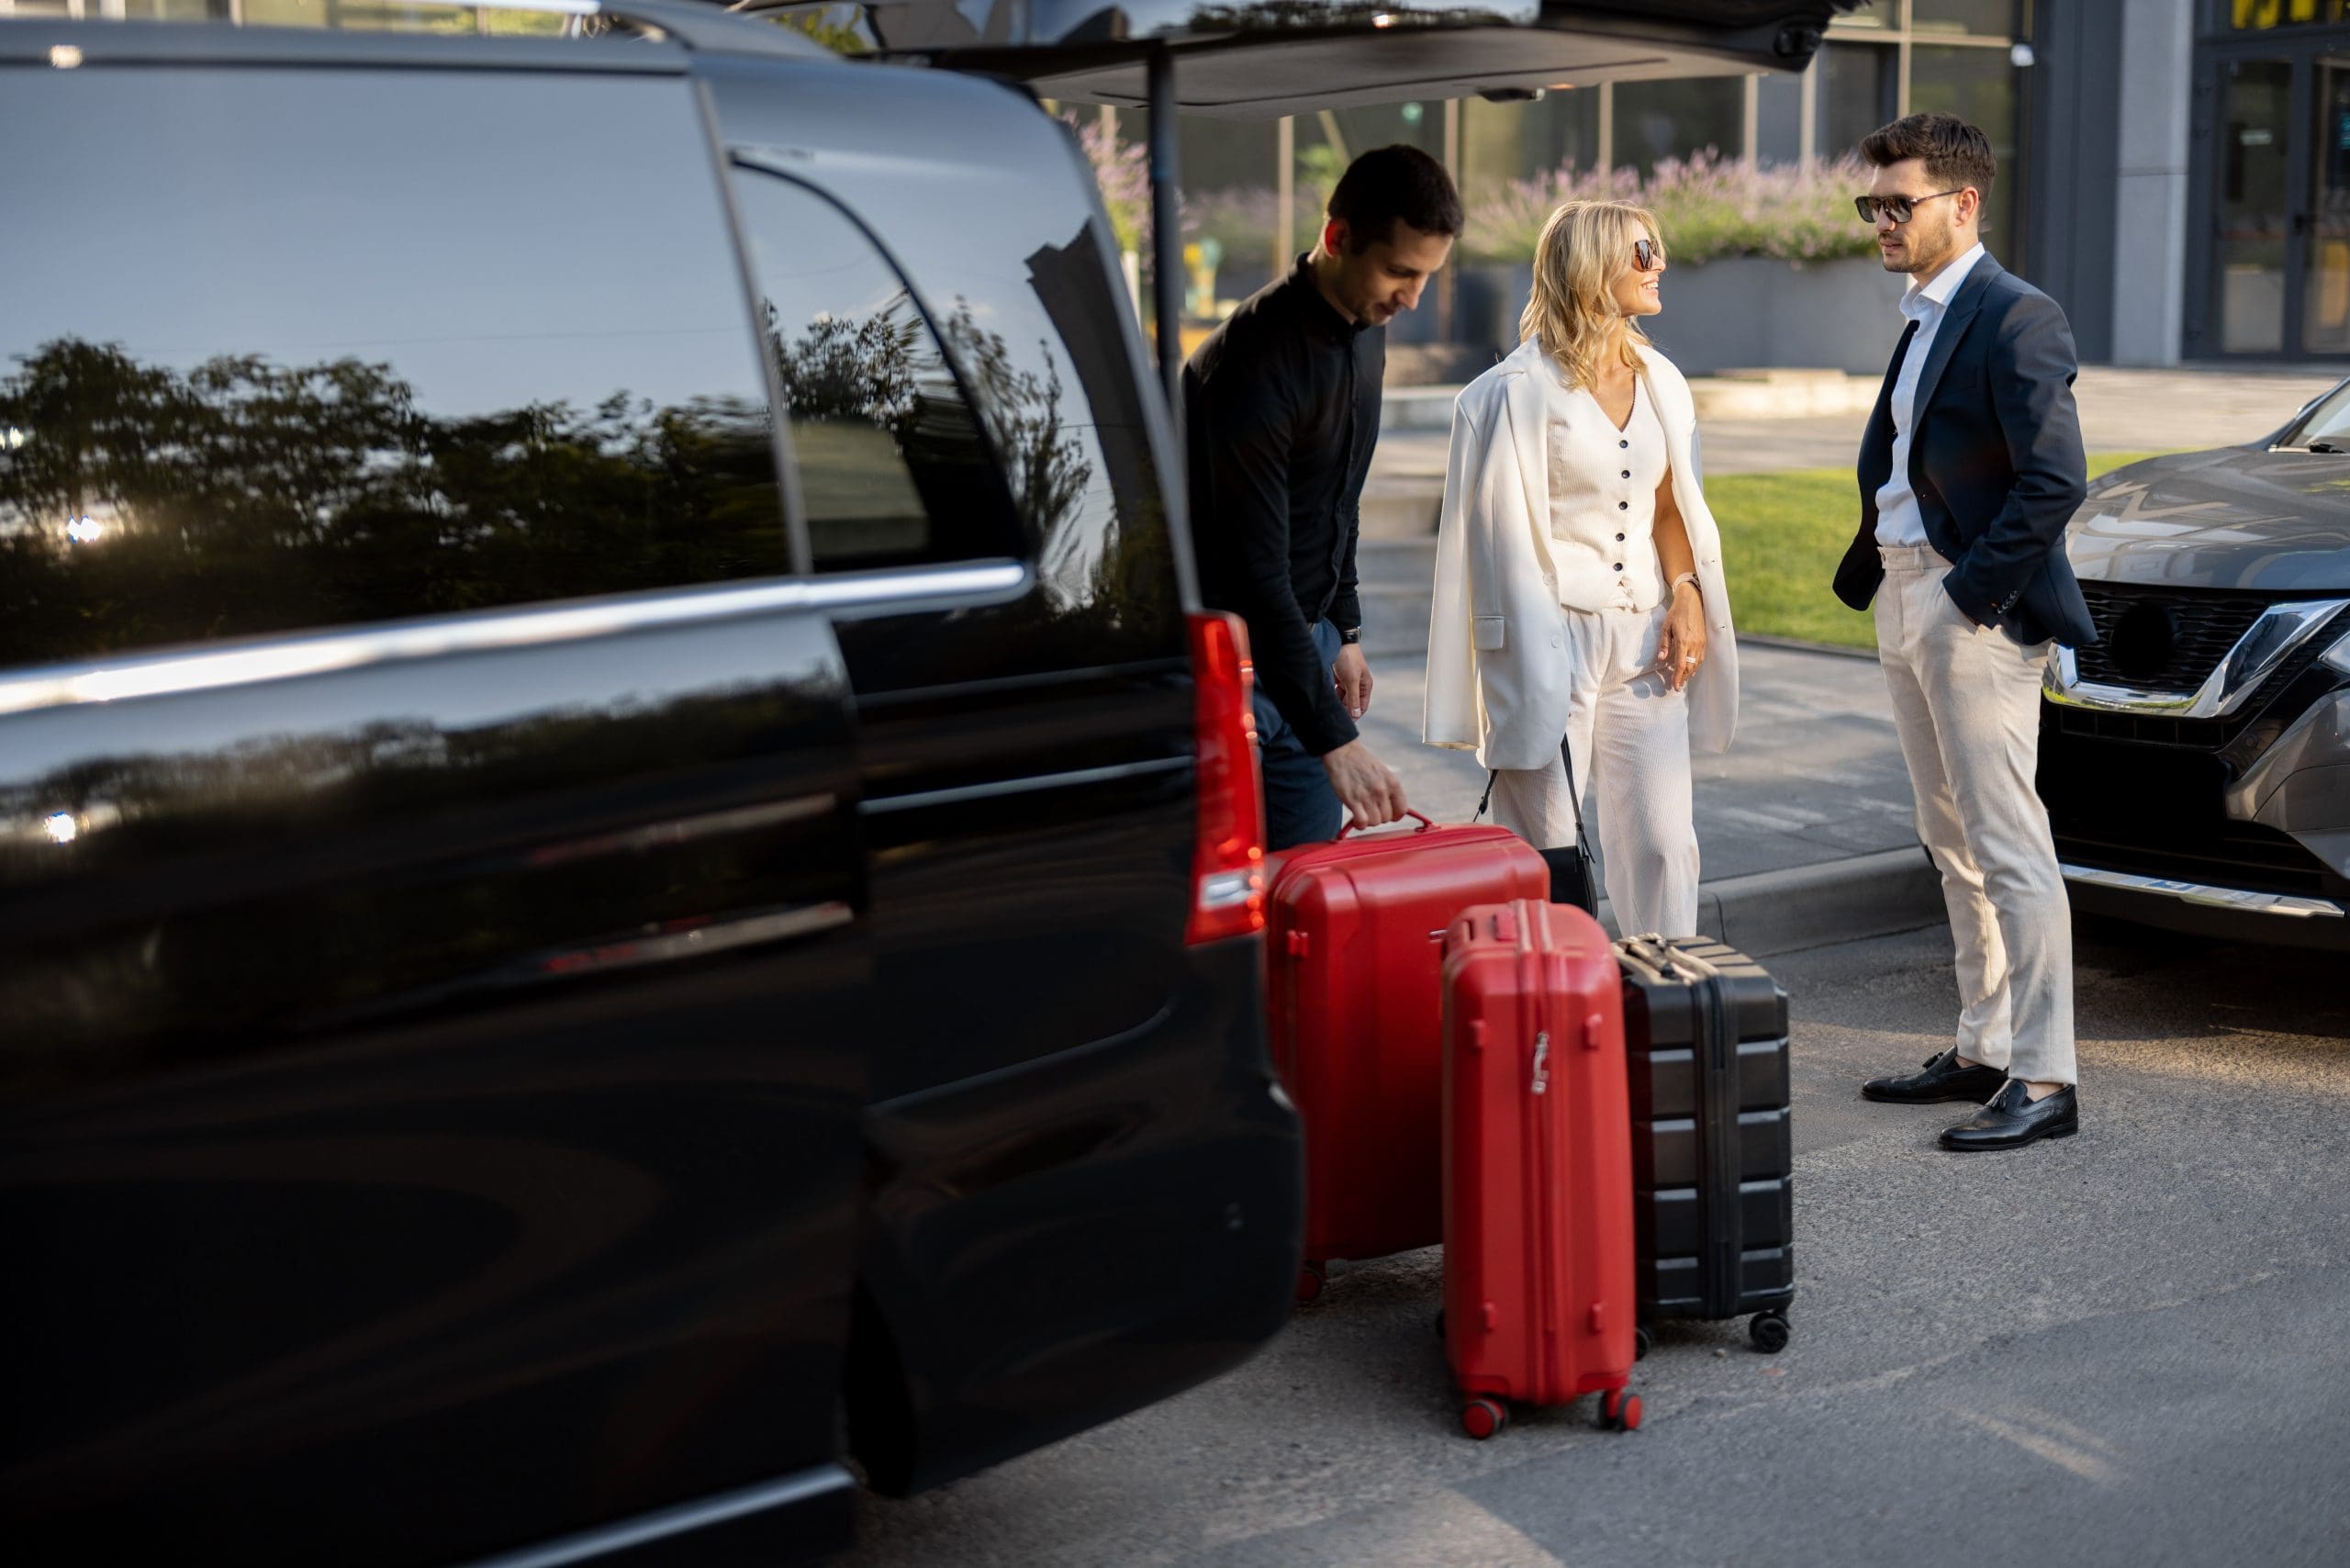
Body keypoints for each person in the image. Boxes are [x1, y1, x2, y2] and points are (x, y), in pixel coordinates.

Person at [1831, 112, 2094, 1152]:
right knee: (1949, 838)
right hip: (1907, 596)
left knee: (2006, 839)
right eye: (1874, 205)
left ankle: (2045, 1074)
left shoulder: (2015, 315)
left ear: (1963, 203)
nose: (1882, 221)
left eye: (1899, 204)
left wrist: (1964, 595)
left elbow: (2053, 479)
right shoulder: (1922, 314)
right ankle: (1984, 1043)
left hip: (1966, 606)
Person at [1423, 199, 1738, 939]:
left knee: (1663, 844)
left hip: (1644, 640)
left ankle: (1664, 1003)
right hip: (1548, 644)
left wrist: (1686, 591)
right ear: (1592, 266)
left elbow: (1670, 505)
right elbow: (1490, 545)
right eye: (1641, 252)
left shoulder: (1663, 381)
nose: (1659, 264)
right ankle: (1556, 1016)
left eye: (1656, 249)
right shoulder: (1512, 394)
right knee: (1550, 854)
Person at [1185, 145, 1460, 847]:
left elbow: (1338, 500)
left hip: (1307, 650)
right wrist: (1336, 739)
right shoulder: (1251, 363)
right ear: (1337, 239)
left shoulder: (1367, 330)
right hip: (1234, 671)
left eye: (1428, 275)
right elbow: (1253, 573)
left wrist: (1347, 630)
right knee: (1240, 917)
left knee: (1307, 902)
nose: (1413, 298)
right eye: (1400, 271)